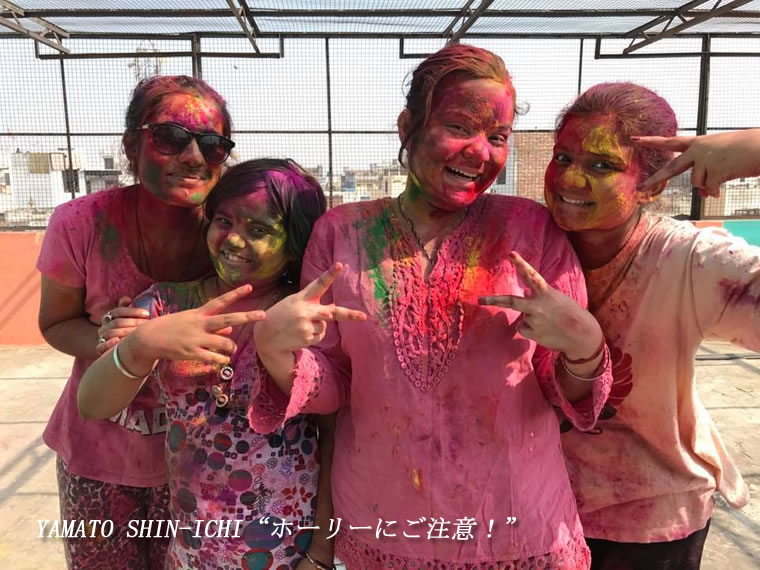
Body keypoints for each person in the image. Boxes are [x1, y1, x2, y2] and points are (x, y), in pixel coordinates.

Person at [248, 44, 613, 568]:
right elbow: (333, 386)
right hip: (385, 525)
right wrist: (275, 349)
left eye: (498, 136)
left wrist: (585, 348)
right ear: (408, 127)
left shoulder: (530, 230)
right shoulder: (342, 233)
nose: (480, 152)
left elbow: (565, 393)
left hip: (516, 525)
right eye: (459, 126)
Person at [77, 159, 342, 569]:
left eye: (259, 230)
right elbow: (92, 404)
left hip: (286, 550)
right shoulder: (167, 304)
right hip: (194, 546)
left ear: (294, 244)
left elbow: (333, 434)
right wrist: (141, 345)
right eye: (224, 221)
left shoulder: (306, 318)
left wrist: (321, 553)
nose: (233, 240)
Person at [543, 82, 760, 569]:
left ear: (655, 184)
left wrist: (757, 150)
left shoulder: (689, 259)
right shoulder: (528, 241)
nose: (571, 179)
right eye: (563, 158)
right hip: (543, 507)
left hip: (650, 519)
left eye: (602, 165)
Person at [36, 75, 234, 568]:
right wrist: (114, 342)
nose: (194, 156)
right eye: (171, 137)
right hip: (97, 457)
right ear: (130, 146)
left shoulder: (234, 235)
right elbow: (56, 323)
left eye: (212, 144)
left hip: (200, 462)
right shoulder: (80, 223)